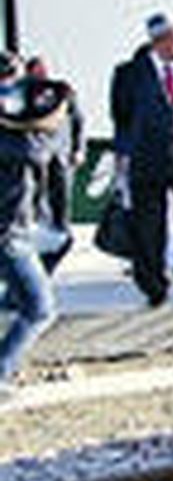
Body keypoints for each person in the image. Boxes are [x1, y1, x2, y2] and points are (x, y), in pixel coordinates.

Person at [110, 13, 173, 306]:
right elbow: (121, 115)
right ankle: (153, 285)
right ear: (159, 41)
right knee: (149, 226)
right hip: (146, 158)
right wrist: (126, 153)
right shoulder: (129, 74)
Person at [0, 53, 69, 392]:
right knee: (41, 310)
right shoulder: (14, 139)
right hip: (8, 233)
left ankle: (11, 298)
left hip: (23, 228)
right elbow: (36, 151)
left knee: (60, 239)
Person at [23, 55, 83, 268]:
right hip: (39, 154)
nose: (39, 74)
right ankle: (44, 233)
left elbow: (78, 121)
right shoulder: (24, 93)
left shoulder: (62, 91)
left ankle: (62, 233)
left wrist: (79, 149)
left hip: (62, 153)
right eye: (34, 71)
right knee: (38, 195)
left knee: (62, 195)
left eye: (42, 70)